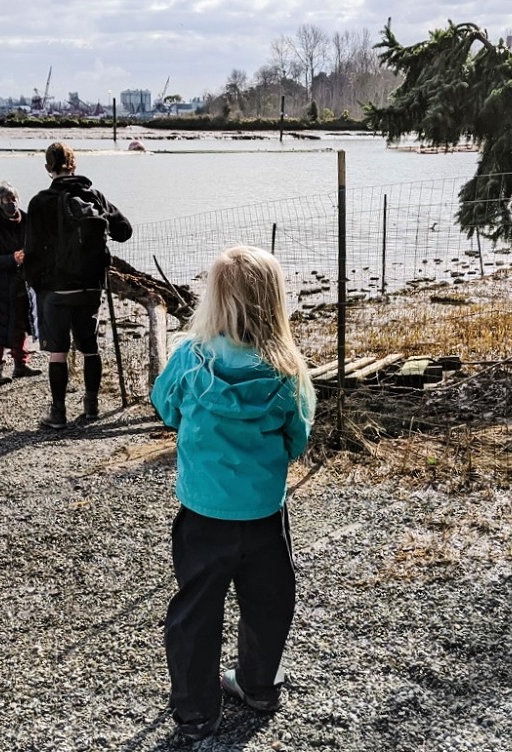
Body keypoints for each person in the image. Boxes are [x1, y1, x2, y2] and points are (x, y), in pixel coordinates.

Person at [150, 245, 316, 741]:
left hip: (202, 513)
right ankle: (259, 684)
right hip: (263, 513)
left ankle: (196, 712)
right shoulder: (288, 372)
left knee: (196, 612)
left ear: (214, 300)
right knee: (270, 601)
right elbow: (298, 439)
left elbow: (165, 408)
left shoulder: (189, 360)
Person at [23, 142, 132, 429]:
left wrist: (36, 283)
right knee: (90, 347)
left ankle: (58, 413)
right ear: (74, 165)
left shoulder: (39, 202)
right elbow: (125, 231)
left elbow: (32, 250)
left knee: (58, 351)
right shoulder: (94, 196)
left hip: (56, 289)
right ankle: (92, 406)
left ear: (48, 168)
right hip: (91, 286)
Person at [0, 181, 42, 385]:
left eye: (14, 198)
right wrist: (11, 259)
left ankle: (20, 365)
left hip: (22, 281)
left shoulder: (28, 221)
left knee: (21, 324)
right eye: (7, 199)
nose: (11, 203)